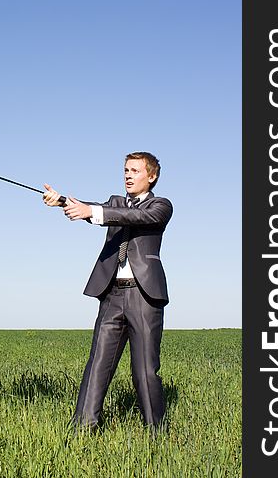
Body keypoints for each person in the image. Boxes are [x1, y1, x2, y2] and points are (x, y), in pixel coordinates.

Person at [43, 152, 173, 430]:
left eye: (135, 171)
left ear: (151, 176)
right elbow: (92, 208)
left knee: (144, 371)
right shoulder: (114, 203)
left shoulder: (161, 205)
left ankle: (156, 432)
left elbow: (136, 216)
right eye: (126, 170)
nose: (128, 175)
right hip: (112, 294)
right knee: (98, 365)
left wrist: (93, 212)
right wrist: (61, 201)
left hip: (144, 296)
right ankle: (82, 429)